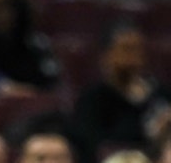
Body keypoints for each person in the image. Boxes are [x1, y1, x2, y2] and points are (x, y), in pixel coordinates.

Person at [73, 21, 171, 154]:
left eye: (138, 49)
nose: (134, 58)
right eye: (127, 49)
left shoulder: (161, 93)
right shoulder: (93, 99)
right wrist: (150, 132)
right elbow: (92, 146)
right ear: (106, 55)